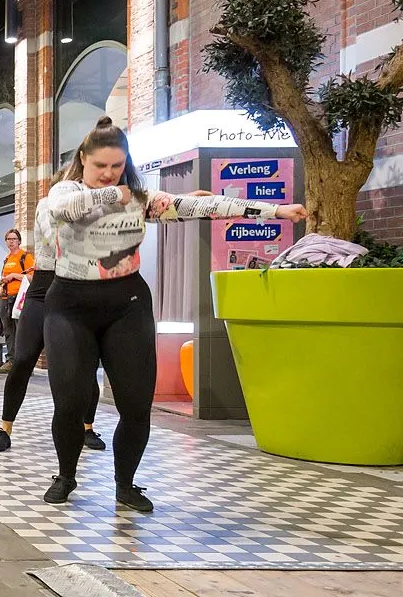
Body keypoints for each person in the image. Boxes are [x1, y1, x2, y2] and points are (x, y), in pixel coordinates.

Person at [39, 116, 306, 512]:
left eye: (117, 166)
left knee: (135, 406)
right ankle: (66, 475)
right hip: (69, 307)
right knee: (70, 403)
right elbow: (65, 210)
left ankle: (125, 485)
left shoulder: (139, 198)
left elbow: (203, 205)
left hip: (127, 306)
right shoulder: (67, 190)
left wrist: (275, 211)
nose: (109, 174)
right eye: (100, 166)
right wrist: (120, 195)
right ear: (83, 159)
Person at [0, 185, 106, 454]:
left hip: (76, 287)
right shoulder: (47, 205)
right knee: (22, 360)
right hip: (42, 288)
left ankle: (87, 427)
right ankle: (5, 429)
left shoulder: (93, 207)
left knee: (86, 365)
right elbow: (57, 240)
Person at [0, 229, 34, 374]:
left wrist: (14, 276)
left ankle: (23, 364)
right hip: (5, 299)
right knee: (8, 331)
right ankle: (11, 361)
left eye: (14, 239)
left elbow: (32, 277)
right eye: (8, 239)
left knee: (21, 331)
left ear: (19, 241)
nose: (11, 242)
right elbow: (4, 277)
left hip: (19, 299)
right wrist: (1, 288)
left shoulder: (25, 257)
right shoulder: (7, 259)